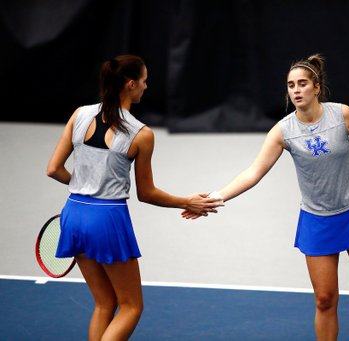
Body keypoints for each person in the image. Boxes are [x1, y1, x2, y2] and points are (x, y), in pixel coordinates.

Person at [182, 54, 349, 341]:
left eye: (302, 84)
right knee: (324, 300)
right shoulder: (283, 131)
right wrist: (213, 198)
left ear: (317, 87)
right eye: (290, 85)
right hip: (318, 220)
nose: (296, 90)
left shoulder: (342, 115)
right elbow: (253, 173)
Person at [47, 54, 222, 341]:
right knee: (131, 307)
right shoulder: (141, 134)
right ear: (130, 85)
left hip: (73, 215)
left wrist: (85, 184)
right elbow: (147, 193)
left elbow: (53, 169)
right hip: (107, 221)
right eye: (144, 82)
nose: (145, 87)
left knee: (104, 303)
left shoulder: (79, 115)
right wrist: (186, 201)